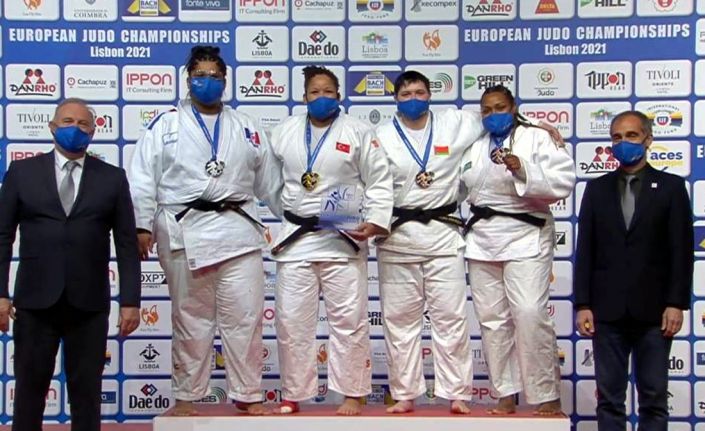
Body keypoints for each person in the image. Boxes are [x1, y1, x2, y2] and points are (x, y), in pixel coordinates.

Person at [128, 46, 282, 416]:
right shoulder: (165, 125)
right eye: (200, 75)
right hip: (184, 230)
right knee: (190, 320)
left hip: (238, 231)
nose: (207, 81)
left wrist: (298, 222)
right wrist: (141, 225)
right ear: (188, 79)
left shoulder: (247, 126)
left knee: (245, 317)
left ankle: (248, 394)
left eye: (215, 75)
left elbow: (270, 184)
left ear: (225, 80)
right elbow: (143, 178)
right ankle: (186, 396)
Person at [0, 98, 141, 431]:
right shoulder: (22, 173)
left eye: (82, 123)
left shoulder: (112, 178)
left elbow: (126, 244)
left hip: (89, 305)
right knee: (29, 391)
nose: (74, 129)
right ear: (52, 127)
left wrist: (131, 301)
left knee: (87, 394)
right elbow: (3, 236)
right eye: (67, 122)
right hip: (34, 303)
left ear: (93, 132)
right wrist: (1, 295)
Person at [268, 65, 393, 416]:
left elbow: (379, 179)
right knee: (292, 321)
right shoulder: (284, 132)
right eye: (314, 92)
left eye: (327, 91)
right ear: (304, 97)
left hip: (342, 237)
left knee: (349, 321)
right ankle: (294, 392)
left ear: (339, 95)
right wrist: (292, 214)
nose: (321, 97)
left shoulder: (358, 131)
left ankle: (352, 393)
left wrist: (375, 220)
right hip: (297, 239)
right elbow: (272, 184)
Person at [373, 71, 485, 414]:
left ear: (430, 94)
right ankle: (404, 393)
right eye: (406, 94)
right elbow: (369, 184)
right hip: (397, 237)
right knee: (399, 321)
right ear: (395, 98)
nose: (413, 99)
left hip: (443, 236)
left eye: (419, 92)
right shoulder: (380, 136)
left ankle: (457, 393)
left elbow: (498, 115)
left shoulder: (454, 123)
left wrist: (539, 126)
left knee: (451, 318)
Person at [460, 85, 575, 415]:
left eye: (500, 108)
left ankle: (546, 393)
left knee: (528, 312)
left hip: (527, 232)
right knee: (492, 319)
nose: (493, 114)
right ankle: (505, 393)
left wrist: (522, 168)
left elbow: (564, 181)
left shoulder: (537, 137)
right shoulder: (474, 143)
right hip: (482, 237)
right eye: (486, 110)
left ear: (514, 108)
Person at [574, 110, 692, 431]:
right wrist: (583, 304)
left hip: (655, 314)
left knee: (653, 400)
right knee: (609, 400)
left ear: (648, 139)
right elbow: (585, 250)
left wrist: (676, 303)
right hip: (606, 312)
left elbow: (681, 251)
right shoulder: (596, 189)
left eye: (631, 136)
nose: (623, 143)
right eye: (616, 137)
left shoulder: (670, 188)